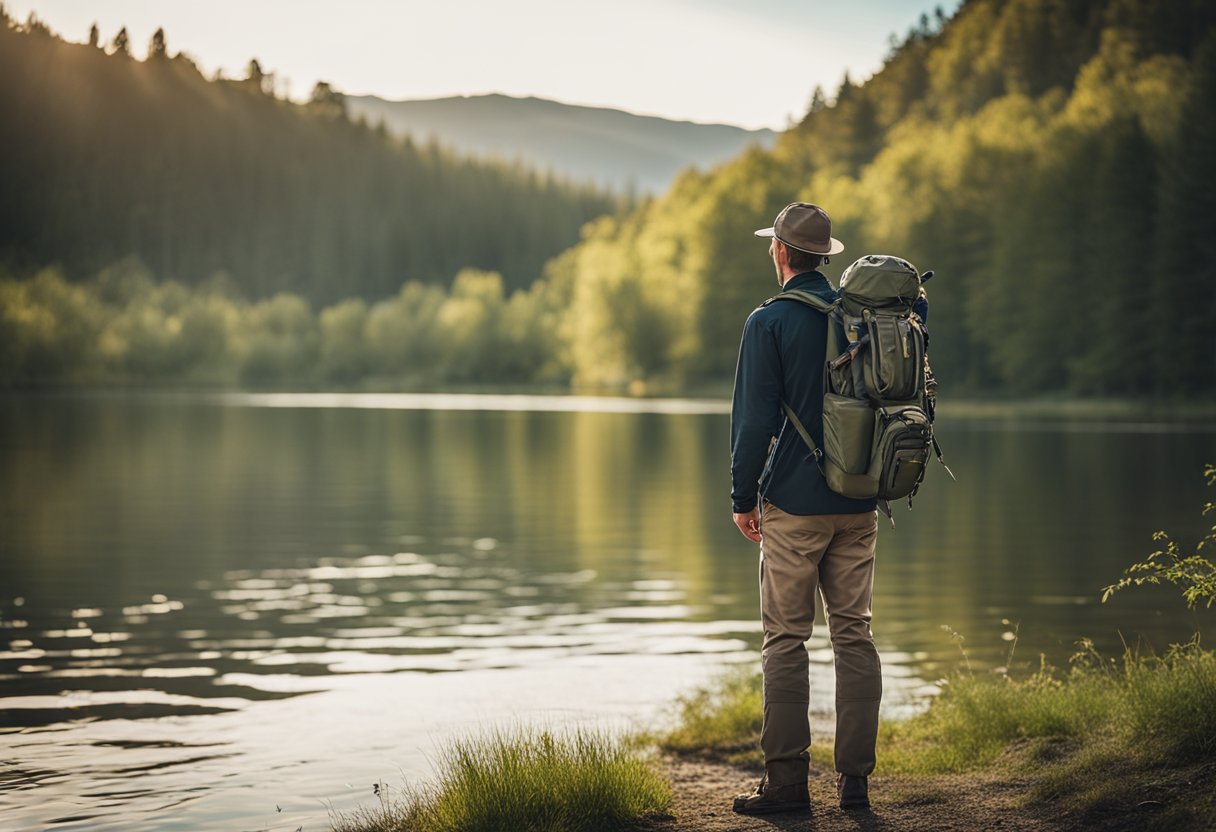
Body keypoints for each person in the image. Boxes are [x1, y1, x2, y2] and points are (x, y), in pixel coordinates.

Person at [729, 202, 881, 814]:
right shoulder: (861, 317)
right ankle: (856, 783)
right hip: (860, 500)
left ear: (781, 252)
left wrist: (743, 499)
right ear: (824, 257)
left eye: (774, 245)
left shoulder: (768, 321)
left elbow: (753, 422)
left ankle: (787, 785)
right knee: (855, 636)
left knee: (786, 640)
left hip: (792, 505)